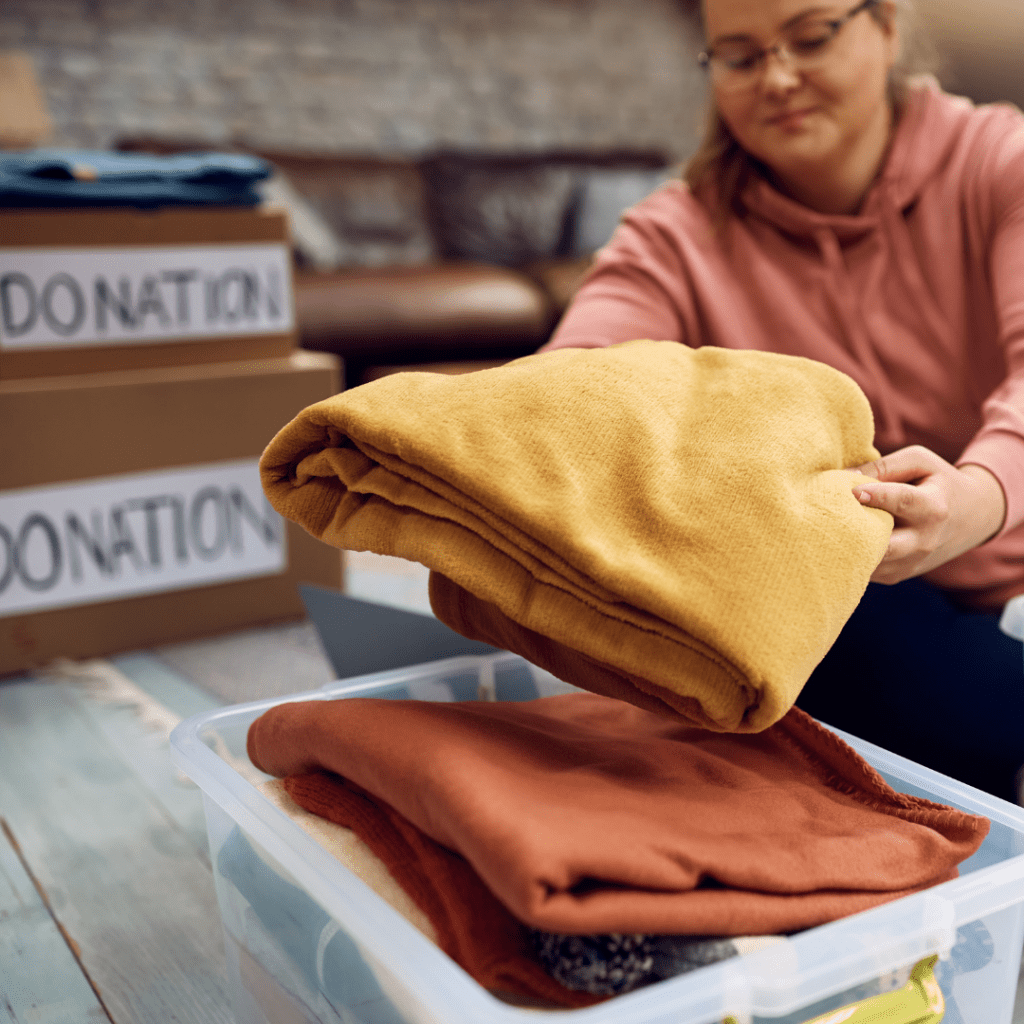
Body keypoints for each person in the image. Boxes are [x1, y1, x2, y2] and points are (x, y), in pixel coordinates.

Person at [539, 0, 1024, 802]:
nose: (779, 78)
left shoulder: (997, 160)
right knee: (769, 618)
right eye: (739, 55)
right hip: (860, 605)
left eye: (810, 37)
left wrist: (980, 495)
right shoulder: (677, 233)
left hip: (1002, 580)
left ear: (888, 28)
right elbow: (571, 388)